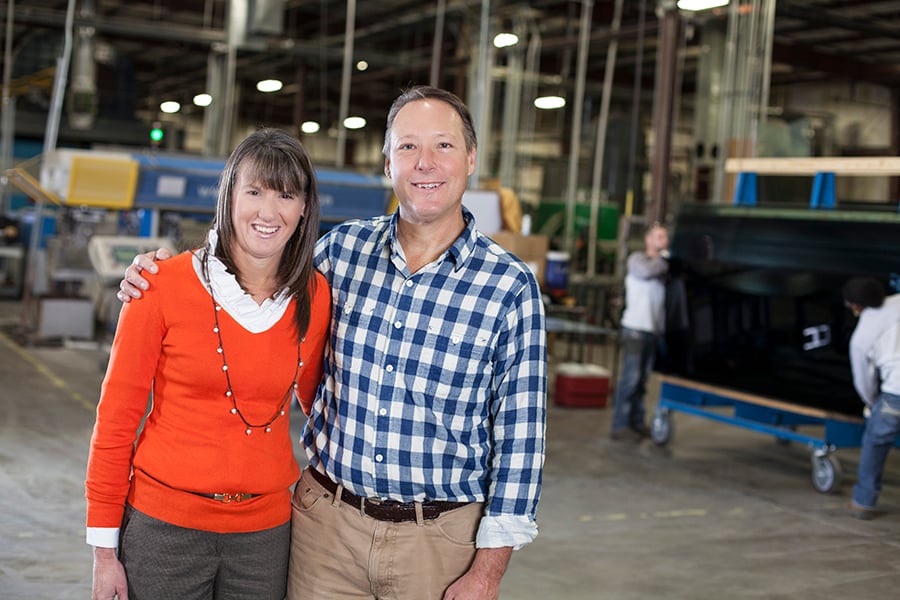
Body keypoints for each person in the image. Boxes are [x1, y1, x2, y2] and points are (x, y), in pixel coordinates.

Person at [119, 86, 547, 600]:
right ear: (388, 162)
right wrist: (165, 270)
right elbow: (251, 274)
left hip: (438, 544)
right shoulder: (338, 255)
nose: (424, 163)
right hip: (325, 530)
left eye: (444, 146)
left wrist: (487, 572)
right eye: (408, 147)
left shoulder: (509, 287)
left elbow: (522, 441)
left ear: (471, 158)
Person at [86, 128, 331, 599]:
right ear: (228, 197)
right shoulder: (159, 286)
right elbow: (116, 421)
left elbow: (322, 403)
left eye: (285, 195)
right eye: (254, 191)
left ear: (303, 210)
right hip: (164, 531)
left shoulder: (315, 298)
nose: (267, 211)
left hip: (266, 538)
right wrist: (103, 549)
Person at [842, 276, 900, 520]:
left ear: (856, 306)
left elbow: (863, 382)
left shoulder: (861, 336)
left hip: (895, 395)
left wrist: (873, 402)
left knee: (876, 440)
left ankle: (864, 500)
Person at [610, 222, 670, 442]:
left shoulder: (662, 268)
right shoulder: (638, 260)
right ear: (648, 240)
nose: (664, 241)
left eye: (665, 237)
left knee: (642, 381)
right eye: (659, 237)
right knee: (630, 379)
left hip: (651, 332)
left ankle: (636, 422)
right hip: (635, 329)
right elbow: (646, 271)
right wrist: (664, 261)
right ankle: (620, 425)